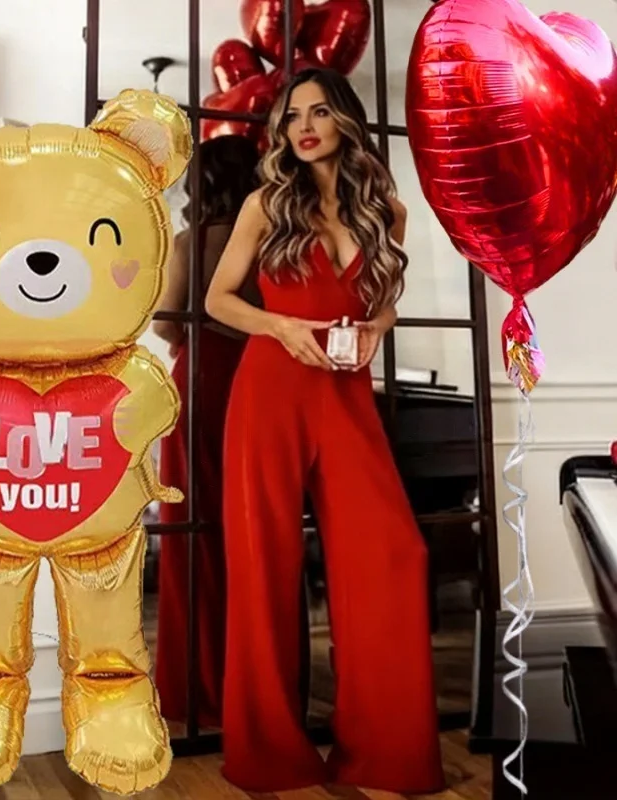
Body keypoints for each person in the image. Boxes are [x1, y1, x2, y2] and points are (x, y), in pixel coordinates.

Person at [205, 68, 445, 794]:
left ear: (345, 118)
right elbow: (219, 299)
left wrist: (376, 328)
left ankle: (385, 750)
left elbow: (385, 300)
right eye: (290, 116)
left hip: (346, 393)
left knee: (394, 553)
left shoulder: (386, 210)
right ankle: (271, 753)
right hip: (271, 391)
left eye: (317, 112)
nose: (303, 127)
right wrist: (280, 325)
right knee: (264, 566)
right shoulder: (266, 204)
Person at [152, 135, 261, 729]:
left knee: (192, 531)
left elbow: (167, 322)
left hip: (199, 381)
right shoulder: (271, 236)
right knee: (253, 528)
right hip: (258, 377)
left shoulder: (189, 241)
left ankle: (194, 684)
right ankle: (254, 683)